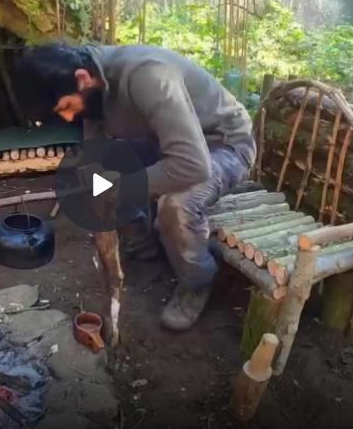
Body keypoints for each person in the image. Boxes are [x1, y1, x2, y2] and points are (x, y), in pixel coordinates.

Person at [15, 43, 256, 331]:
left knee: (176, 206)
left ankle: (198, 281)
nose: (68, 117)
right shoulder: (91, 83)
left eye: (66, 107)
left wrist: (120, 187)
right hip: (164, 142)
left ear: (82, 78)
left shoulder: (149, 76)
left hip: (223, 146)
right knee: (93, 180)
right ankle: (142, 241)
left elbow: (193, 165)